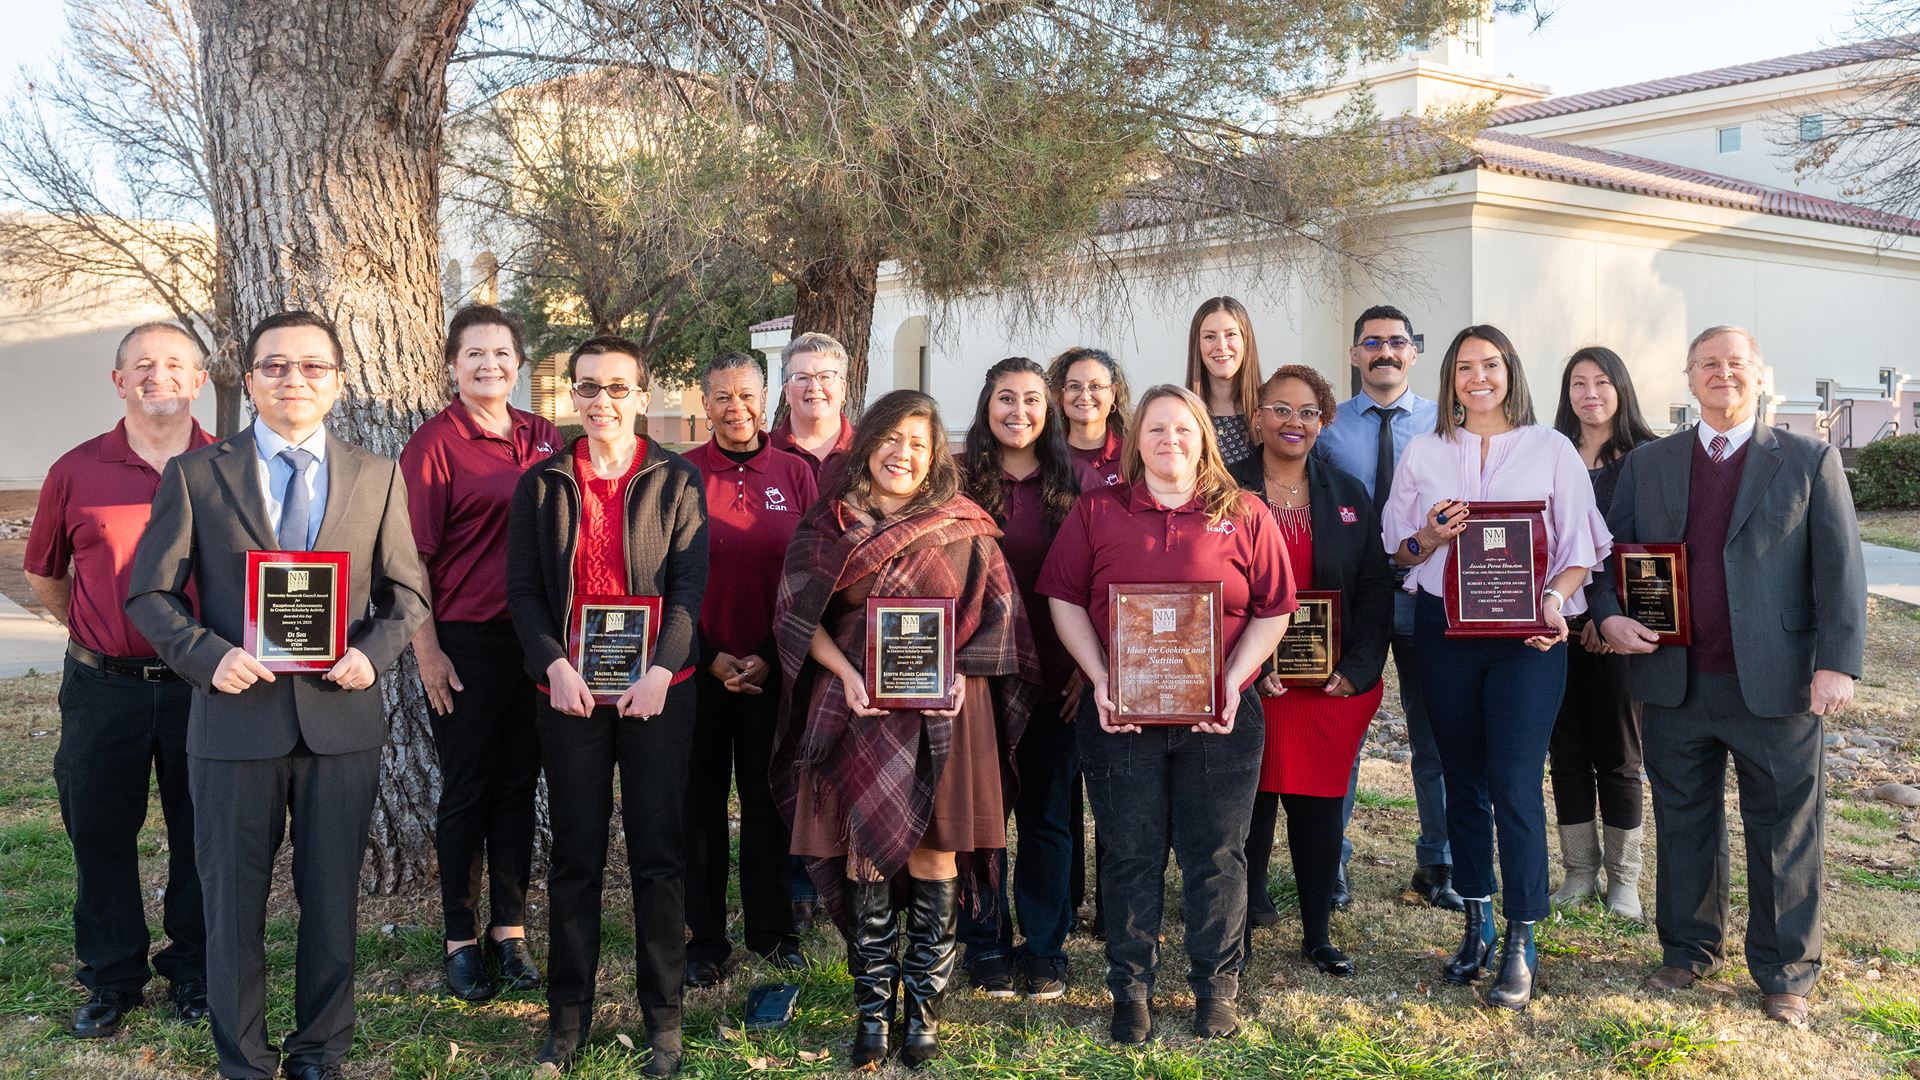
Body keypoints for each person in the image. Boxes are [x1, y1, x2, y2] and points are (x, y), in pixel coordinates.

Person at [126, 311, 430, 1080]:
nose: (294, 380)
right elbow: (150, 595)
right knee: (231, 909)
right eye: (276, 367)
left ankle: (321, 1050)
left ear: (337, 380)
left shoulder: (376, 474)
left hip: (340, 722)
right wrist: (206, 655)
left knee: (331, 903)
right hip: (234, 723)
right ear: (250, 377)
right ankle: (245, 1060)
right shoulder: (197, 474)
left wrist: (373, 655)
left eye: (311, 367)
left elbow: (408, 595)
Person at [1590, 326, 1865, 1025]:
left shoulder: (1808, 459)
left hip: (1778, 683)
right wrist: (1610, 616)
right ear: (1689, 379)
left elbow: (1840, 571)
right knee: (1686, 823)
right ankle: (1686, 951)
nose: (1723, 374)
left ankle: (1785, 973)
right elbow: (1607, 555)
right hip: (1674, 679)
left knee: (1784, 831)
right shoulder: (1650, 463)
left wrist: (1837, 664)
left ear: (1760, 375)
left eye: (1736, 364)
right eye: (1709, 364)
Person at [771, 390, 1038, 1070]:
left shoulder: (964, 525)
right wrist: (847, 674)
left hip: (946, 712)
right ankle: (871, 1014)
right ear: (868, 444)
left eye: (919, 444)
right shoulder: (827, 524)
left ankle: (922, 1014)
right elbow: (797, 620)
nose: (905, 454)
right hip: (856, 705)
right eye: (893, 439)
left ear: (933, 456)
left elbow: (1000, 622)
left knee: (933, 855)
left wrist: (961, 677)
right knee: (864, 854)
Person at [1037, 384, 1294, 1044]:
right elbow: (1064, 599)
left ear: (1203, 436)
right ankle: (1132, 991)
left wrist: (1234, 682)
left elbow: (1274, 609)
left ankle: (1216, 990)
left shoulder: (1245, 512)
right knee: (1129, 853)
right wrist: (1099, 678)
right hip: (1121, 717)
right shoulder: (1099, 511)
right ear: (1136, 440)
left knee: (1216, 855)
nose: (1170, 441)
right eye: (1156, 430)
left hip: (1221, 717)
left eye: (1183, 429)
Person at [1383, 324, 1610, 1012]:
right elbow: (1398, 550)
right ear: (1450, 380)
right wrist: (1431, 536)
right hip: (1444, 633)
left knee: (1514, 783)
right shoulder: (1425, 450)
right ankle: (1476, 919)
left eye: (1490, 365)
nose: (1477, 377)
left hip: (1527, 642)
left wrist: (1552, 601)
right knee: (1463, 782)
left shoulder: (1551, 449)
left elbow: (1581, 545)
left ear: (1510, 370)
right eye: (1464, 368)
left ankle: (1522, 936)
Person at [506, 335, 708, 1077]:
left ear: (642, 395)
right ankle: (567, 1020)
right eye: (587, 388)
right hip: (569, 694)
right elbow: (523, 593)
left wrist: (662, 670)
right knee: (575, 857)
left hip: (659, 693)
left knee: (658, 855)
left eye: (617, 388)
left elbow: (689, 589)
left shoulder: (678, 480)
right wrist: (552, 663)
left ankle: (664, 1017)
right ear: (572, 397)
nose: (602, 402)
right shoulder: (542, 483)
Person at [25, 323, 215, 1039]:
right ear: (118, 382)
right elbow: (44, 572)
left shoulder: (230, 465)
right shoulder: (76, 469)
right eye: (141, 365)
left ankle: (195, 970)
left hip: (205, 687)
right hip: (104, 687)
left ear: (198, 380)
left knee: (203, 832)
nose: (156, 375)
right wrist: (93, 630)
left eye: (173, 364)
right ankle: (112, 977)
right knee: (99, 830)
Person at [399, 304, 559, 1002]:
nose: (490, 364)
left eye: (501, 353)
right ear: (453, 366)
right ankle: (460, 939)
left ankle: (511, 932)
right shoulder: (434, 444)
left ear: (518, 364)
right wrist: (427, 651)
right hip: (463, 641)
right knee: (467, 791)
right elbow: (410, 562)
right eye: (475, 354)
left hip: (537, 645)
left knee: (519, 790)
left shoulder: (544, 436)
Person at [1229, 366, 1393, 978]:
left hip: (1329, 688)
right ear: (1258, 420)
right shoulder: (1224, 490)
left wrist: (1358, 668)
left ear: (1323, 423)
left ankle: (1318, 934)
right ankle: (1237, 930)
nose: (1293, 422)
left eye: (1307, 412)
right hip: (1249, 683)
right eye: (1280, 409)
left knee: (1320, 812)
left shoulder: (1349, 494)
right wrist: (1247, 664)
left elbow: (1376, 589)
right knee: (1249, 812)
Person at [1313, 304, 1459, 912]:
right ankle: (1331, 864)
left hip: (1430, 592)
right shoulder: (1327, 427)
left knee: (1436, 738)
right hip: (1356, 600)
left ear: (1414, 353)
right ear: (1355, 354)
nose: (1386, 353)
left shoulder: (1447, 424)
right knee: (1343, 733)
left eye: (1398, 342)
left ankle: (1439, 865)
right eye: (1372, 343)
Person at [680, 351, 816, 987]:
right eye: (721, 397)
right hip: (695, 669)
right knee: (699, 807)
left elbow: (817, 573)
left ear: (767, 400)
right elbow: (662, 575)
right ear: (703, 405)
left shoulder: (795, 473)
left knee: (768, 803)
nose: (736, 408)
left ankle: (771, 930)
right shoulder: (677, 475)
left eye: (746, 395)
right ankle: (703, 938)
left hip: (776, 668)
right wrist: (709, 657)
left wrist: (767, 650)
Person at [955, 358, 1085, 1000]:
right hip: (979, 683)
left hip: (1057, 683)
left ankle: (1043, 946)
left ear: (1050, 410)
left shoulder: (1076, 488)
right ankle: (983, 944)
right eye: (1005, 398)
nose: (1019, 411)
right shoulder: (955, 487)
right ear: (986, 407)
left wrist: (1089, 671)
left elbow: (1101, 586)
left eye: (1032, 400)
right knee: (980, 818)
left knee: (1046, 817)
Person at [1546, 346, 1656, 919]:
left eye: (1602, 382)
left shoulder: (1645, 458)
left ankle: (1625, 881)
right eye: (1578, 383)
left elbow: (1641, 550)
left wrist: (1606, 619)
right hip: (1557, 624)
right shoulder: (1549, 453)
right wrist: (1573, 616)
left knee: (1619, 752)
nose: (1590, 394)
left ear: (1621, 388)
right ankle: (1580, 872)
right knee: (1565, 750)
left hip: (1619, 628)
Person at [1184, 297, 1263, 468]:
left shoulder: (1269, 413)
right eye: (1210, 337)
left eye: (1231, 334)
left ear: (1246, 341)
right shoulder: (1181, 415)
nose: (1221, 346)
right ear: (1197, 345)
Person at [769, 331, 856, 485]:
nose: (814, 387)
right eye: (802, 377)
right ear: (787, 392)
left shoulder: (867, 450)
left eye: (826, 377)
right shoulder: (764, 453)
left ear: (843, 390)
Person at [1048, 345, 1132, 488]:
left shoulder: (1132, 457)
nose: (1085, 396)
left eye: (1095, 386)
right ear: (1061, 394)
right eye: (1074, 386)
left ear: (1113, 392)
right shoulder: (1046, 456)